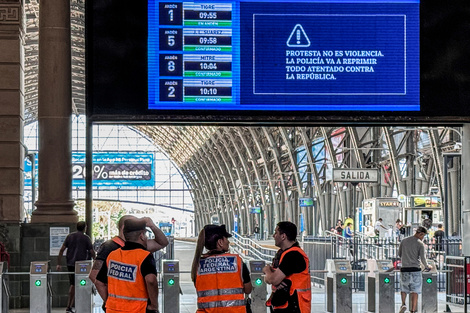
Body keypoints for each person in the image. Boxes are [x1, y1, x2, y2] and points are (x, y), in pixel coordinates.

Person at [95, 218, 159, 313]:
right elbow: (151, 280)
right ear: (141, 236)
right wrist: (154, 306)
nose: (146, 238)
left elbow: (99, 283)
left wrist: (109, 302)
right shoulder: (144, 256)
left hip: (113, 310)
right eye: (145, 235)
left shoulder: (112, 255)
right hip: (138, 310)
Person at [89, 215, 169, 283]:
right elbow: (94, 275)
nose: (143, 235)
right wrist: (109, 298)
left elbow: (162, 243)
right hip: (118, 300)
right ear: (124, 227)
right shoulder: (109, 247)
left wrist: (152, 226)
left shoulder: (140, 244)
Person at [191, 224, 252, 312]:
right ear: (220, 242)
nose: (228, 242)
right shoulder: (237, 261)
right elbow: (248, 289)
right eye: (226, 238)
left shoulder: (197, 264)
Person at [263, 221, 311, 313]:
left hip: (294, 307)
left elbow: (273, 279)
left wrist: (266, 269)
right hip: (286, 305)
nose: (273, 236)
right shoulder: (284, 254)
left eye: (276, 232)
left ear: (283, 236)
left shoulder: (293, 255)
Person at [56, 221, 96, 313]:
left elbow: (62, 250)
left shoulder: (70, 236)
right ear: (85, 228)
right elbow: (91, 251)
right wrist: (96, 260)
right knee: (83, 283)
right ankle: (81, 305)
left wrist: (59, 263)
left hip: (70, 264)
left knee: (73, 284)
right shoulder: (86, 238)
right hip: (83, 265)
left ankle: (69, 306)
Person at [398, 226, 431, 313]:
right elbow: (423, 258)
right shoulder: (420, 244)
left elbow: (399, 254)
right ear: (421, 234)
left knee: (404, 288)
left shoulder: (404, 241)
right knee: (415, 290)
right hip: (415, 269)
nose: (423, 237)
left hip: (404, 268)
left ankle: (403, 304)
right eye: (423, 236)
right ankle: (413, 310)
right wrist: (427, 266)